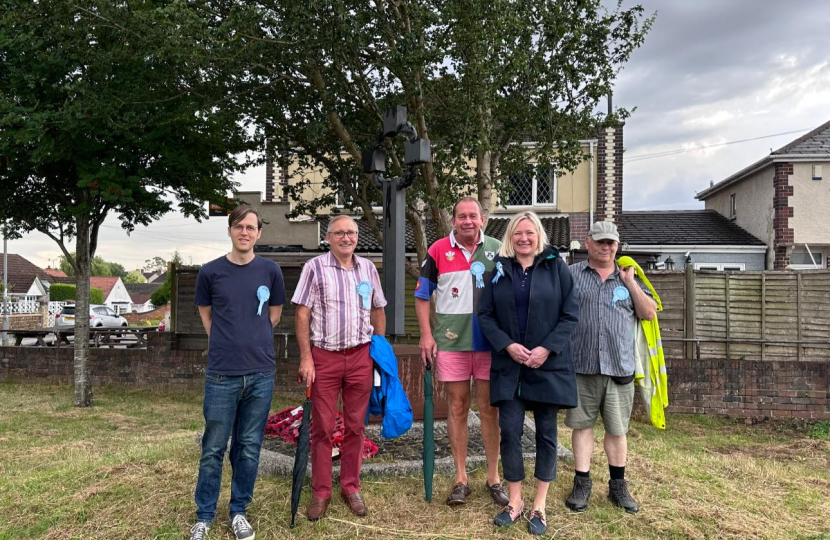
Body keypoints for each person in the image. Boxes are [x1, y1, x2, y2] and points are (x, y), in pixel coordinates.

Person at [478, 211, 580, 535]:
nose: (524, 238)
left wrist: (547, 348)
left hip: (547, 366)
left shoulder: (556, 268)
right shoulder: (498, 271)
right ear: (511, 237)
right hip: (510, 367)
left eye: (530, 233)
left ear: (539, 236)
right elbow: (485, 314)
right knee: (509, 431)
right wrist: (507, 345)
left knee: (547, 435)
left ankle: (539, 505)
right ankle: (515, 501)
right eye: (518, 233)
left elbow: (570, 314)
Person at [190, 205, 286, 540]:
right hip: (222, 374)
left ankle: (238, 511)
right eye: (238, 227)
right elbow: (207, 318)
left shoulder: (271, 271)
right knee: (213, 447)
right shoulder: (210, 272)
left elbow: (273, 316)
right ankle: (204, 515)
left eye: (251, 227)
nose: (244, 232)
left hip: (260, 373)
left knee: (248, 445)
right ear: (230, 231)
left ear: (259, 233)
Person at [414, 197, 508, 507]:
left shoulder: (499, 248)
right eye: (461, 216)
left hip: (490, 343)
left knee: (489, 409)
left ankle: (494, 478)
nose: (467, 221)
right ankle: (460, 478)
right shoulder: (438, 250)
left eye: (473, 216)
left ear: (483, 218)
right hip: (451, 342)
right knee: (457, 407)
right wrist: (426, 335)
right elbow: (423, 295)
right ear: (453, 220)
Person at [293, 215, 387, 521]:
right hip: (325, 357)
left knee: (356, 426)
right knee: (321, 428)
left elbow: (377, 308)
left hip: (361, 356)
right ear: (329, 238)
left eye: (351, 233)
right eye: (340, 233)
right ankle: (321, 492)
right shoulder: (314, 268)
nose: (346, 237)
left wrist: (379, 352)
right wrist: (306, 358)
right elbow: (302, 314)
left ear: (357, 237)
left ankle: (351, 486)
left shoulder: (368, 269)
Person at [565, 221, 657, 515]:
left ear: (617, 246)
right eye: (601, 241)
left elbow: (649, 313)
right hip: (582, 366)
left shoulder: (630, 276)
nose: (606, 247)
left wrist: (629, 282)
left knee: (617, 431)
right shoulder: (571, 275)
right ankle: (582, 482)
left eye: (611, 243)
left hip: (619, 367)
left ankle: (618, 486)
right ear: (588, 242)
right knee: (582, 427)